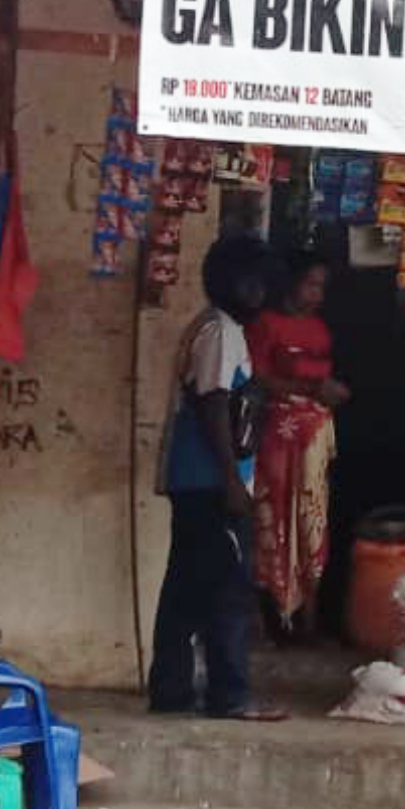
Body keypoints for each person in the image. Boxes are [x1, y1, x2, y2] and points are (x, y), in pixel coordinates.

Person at [148, 235, 286, 721]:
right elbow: (213, 405)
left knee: (186, 591)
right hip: (209, 483)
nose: (259, 293)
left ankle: (172, 691)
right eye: (252, 282)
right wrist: (232, 481)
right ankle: (230, 695)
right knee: (227, 589)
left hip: (195, 481)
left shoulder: (214, 329)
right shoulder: (220, 331)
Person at [248, 252, 348, 629]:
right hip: (279, 438)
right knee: (274, 521)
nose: (318, 294)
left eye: (322, 286)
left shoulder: (321, 330)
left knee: (310, 521)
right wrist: (308, 388)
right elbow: (258, 378)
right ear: (291, 282)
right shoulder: (266, 325)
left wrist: (325, 394)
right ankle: (271, 614)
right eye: (312, 284)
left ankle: (307, 616)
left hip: (313, 444)